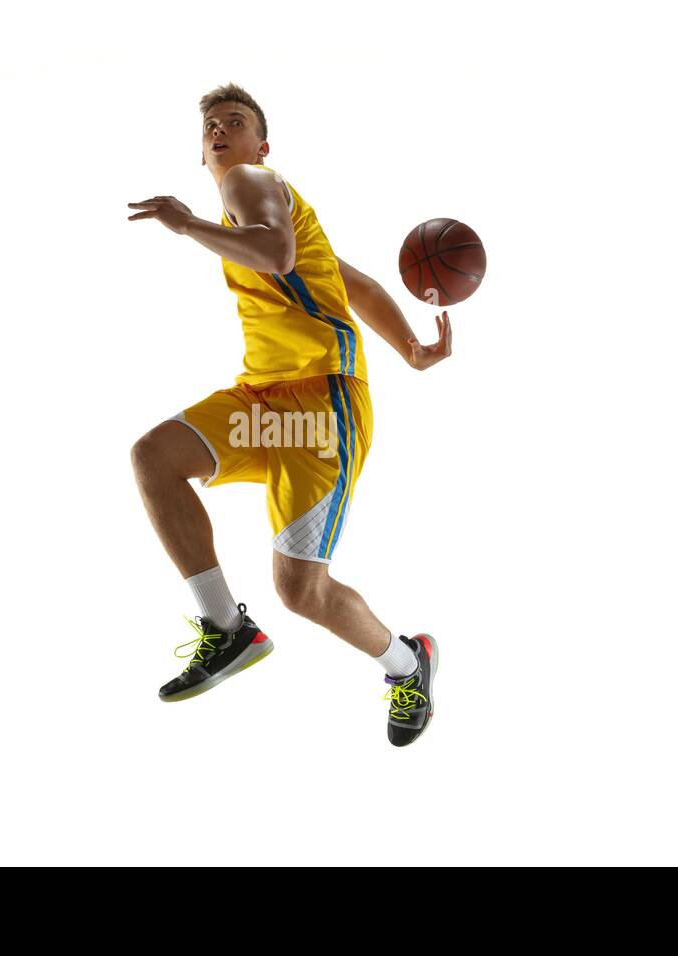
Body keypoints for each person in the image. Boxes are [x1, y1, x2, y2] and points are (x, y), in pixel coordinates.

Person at [127, 83, 451, 746]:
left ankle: (406, 663)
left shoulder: (252, 182)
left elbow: (274, 255)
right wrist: (413, 350)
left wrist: (187, 224)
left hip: (320, 408)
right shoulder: (254, 203)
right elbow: (352, 283)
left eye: (235, 121)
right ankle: (225, 628)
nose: (220, 131)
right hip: (267, 402)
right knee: (155, 456)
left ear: (261, 145)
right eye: (210, 125)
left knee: (302, 591)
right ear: (200, 152)